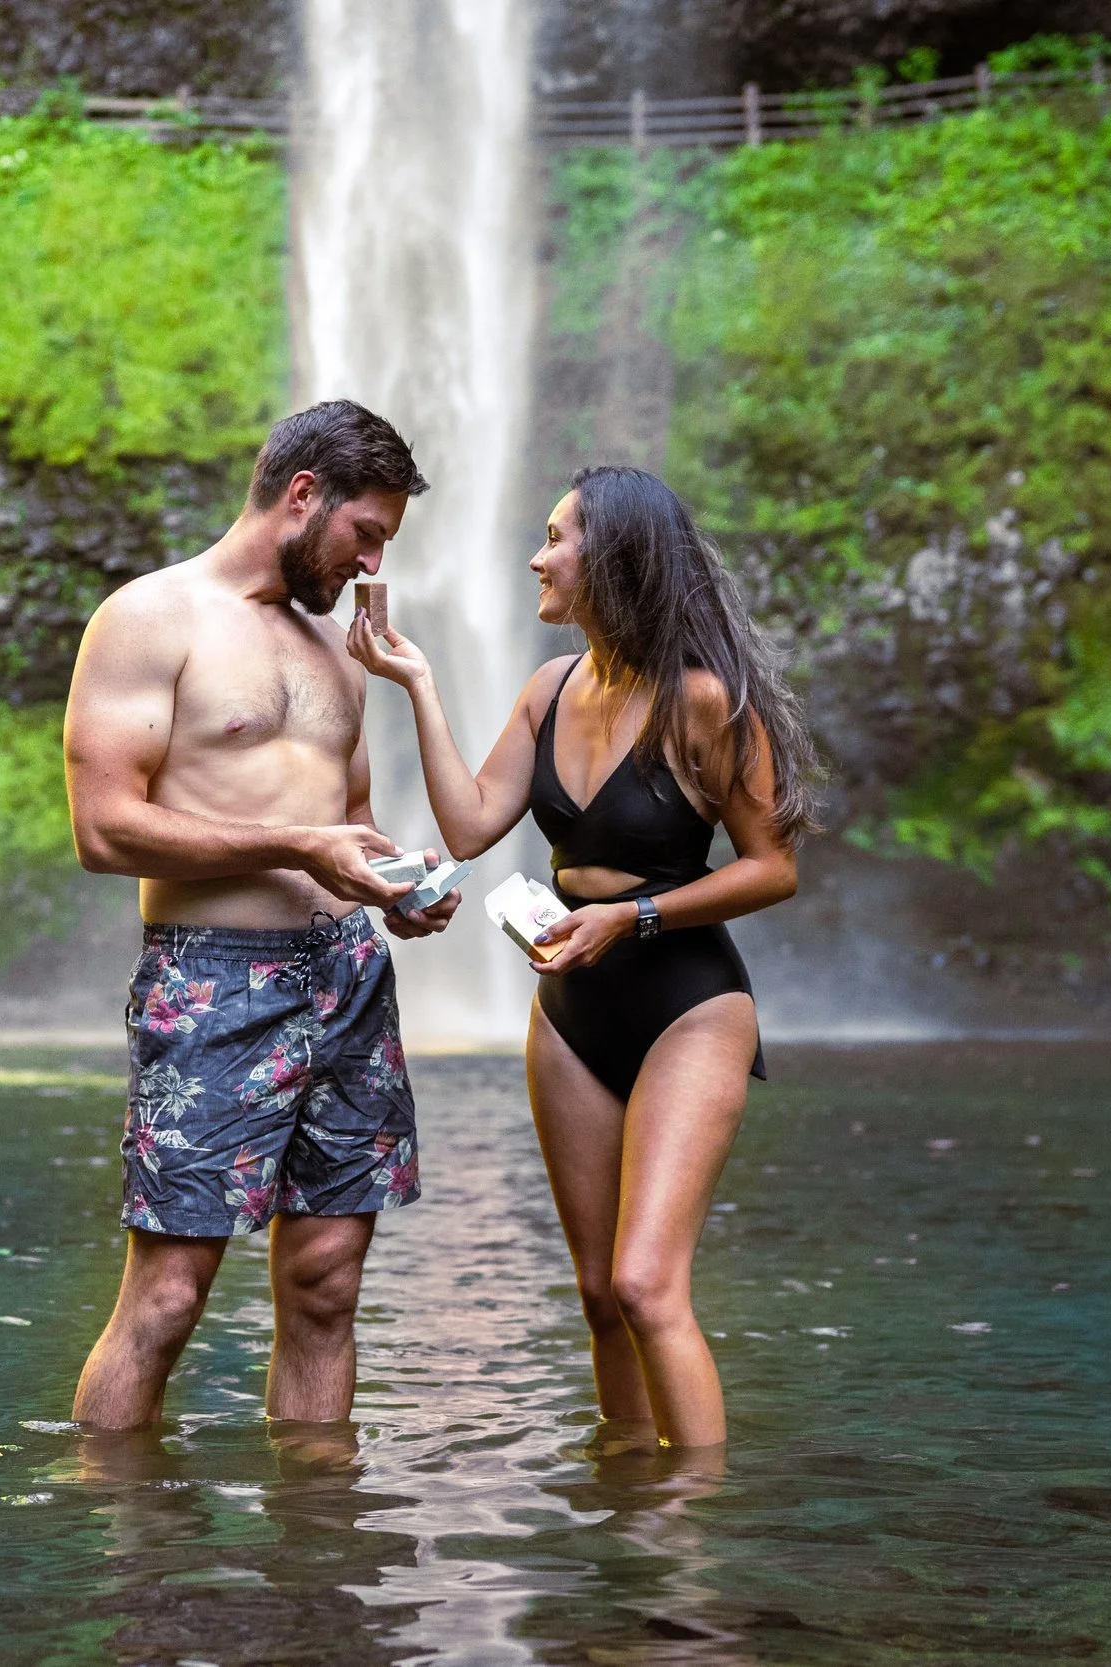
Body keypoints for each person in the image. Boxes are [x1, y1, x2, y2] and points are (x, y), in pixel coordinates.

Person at [349, 465, 818, 1452]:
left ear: (614, 558)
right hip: (572, 1009)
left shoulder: (704, 699)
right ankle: (630, 1512)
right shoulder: (549, 689)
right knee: (601, 1293)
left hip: (687, 1000)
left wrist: (633, 917)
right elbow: (471, 824)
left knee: (650, 1284)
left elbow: (773, 868)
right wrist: (417, 682)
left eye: (556, 537)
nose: (535, 555)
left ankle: (689, 1550)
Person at [62, 399, 462, 1432]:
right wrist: (298, 845)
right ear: (300, 495)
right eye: (363, 533)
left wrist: (394, 884)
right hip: (214, 976)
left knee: (328, 1283)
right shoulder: (150, 617)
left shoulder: (336, 651)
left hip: (347, 976)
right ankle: (126, 1552)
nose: (372, 565)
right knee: (168, 1295)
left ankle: (320, 1558)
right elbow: (104, 829)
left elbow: (350, 820)